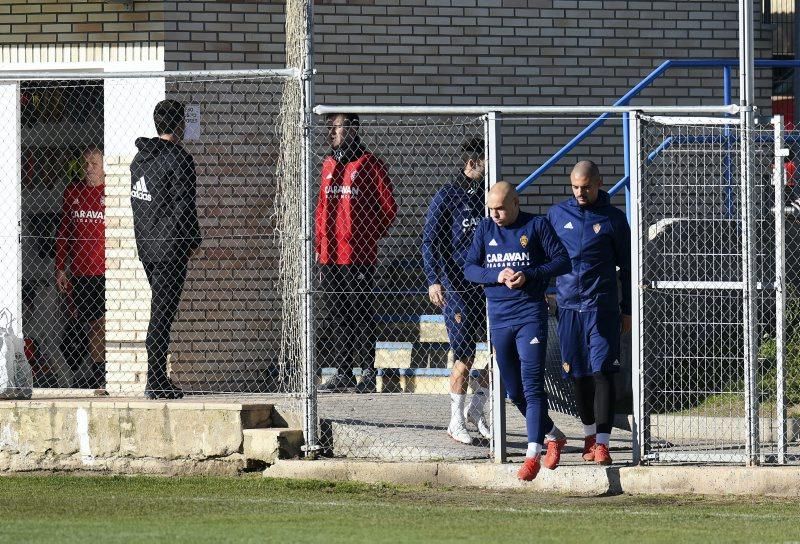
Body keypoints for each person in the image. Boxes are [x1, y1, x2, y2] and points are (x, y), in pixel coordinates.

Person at [465, 181, 570, 481]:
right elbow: (470, 268)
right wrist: (497, 275)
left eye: (500, 208)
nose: (495, 214)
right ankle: (553, 434)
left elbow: (562, 261)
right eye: (491, 209)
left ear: (515, 203)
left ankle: (532, 454)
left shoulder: (536, 226)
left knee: (533, 384)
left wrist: (530, 275)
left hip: (530, 315)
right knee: (514, 390)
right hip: (499, 318)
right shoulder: (485, 229)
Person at [547, 160, 631, 466]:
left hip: (602, 307)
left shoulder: (614, 219)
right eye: (575, 187)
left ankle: (604, 444)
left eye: (586, 187)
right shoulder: (557, 215)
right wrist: (544, 290)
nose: (580, 192)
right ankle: (589, 435)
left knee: (603, 371)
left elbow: (628, 268)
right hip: (568, 307)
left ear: (599, 183)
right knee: (579, 376)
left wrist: (627, 310)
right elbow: (545, 256)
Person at [315, 113, 397, 393]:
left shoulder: (369, 164)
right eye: (329, 128)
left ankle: (367, 373)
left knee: (360, 311)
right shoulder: (328, 165)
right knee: (337, 313)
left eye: (335, 127)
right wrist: (319, 245)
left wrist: (365, 236)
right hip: (330, 254)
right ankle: (343, 372)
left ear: (351, 128)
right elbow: (321, 210)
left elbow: (388, 208)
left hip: (358, 255)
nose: (331, 133)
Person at [130, 99, 202, 400]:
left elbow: (140, 206)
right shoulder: (179, 160)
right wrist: (192, 241)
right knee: (161, 315)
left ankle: (158, 379)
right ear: (177, 125)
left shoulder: (140, 161)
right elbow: (185, 207)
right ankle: (156, 380)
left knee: (160, 311)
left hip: (147, 248)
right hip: (171, 249)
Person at [422, 137, 490, 444]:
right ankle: (455, 422)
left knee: (503, 352)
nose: (490, 168)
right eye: (486, 162)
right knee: (464, 354)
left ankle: (476, 411)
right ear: (473, 163)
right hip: (457, 287)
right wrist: (433, 279)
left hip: (488, 285)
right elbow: (430, 241)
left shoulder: (488, 197)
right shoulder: (447, 196)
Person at [55, 147, 106, 390]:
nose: (88, 168)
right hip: (81, 271)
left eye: (94, 163)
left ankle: (104, 371)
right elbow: (64, 232)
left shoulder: (111, 192)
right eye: (86, 163)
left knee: (102, 322)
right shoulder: (73, 192)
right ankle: (97, 372)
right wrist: (60, 267)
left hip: (106, 271)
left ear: (105, 166)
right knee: (91, 323)